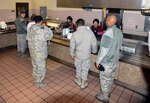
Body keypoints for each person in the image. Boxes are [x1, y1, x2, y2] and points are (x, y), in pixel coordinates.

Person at [95, 15, 123, 103]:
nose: (105, 22)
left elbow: (104, 49)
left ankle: (104, 96)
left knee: (104, 79)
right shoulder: (119, 32)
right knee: (110, 78)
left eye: (106, 20)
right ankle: (108, 92)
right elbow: (120, 45)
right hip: (114, 61)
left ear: (109, 21)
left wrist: (98, 61)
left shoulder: (108, 33)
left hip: (106, 62)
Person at [70, 18, 97, 89]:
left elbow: (72, 46)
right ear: (83, 24)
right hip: (86, 55)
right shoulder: (90, 33)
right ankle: (83, 83)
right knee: (85, 69)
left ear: (77, 24)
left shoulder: (75, 34)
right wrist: (94, 51)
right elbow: (94, 43)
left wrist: (72, 54)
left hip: (78, 55)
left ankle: (78, 80)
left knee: (78, 68)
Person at [26, 16, 53, 88]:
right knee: (41, 68)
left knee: (35, 66)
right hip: (40, 53)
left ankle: (36, 79)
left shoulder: (30, 28)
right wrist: (46, 27)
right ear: (41, 22)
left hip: (32, 52)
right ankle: (38, 83)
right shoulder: (42, 30)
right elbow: (50, 36)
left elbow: (27, 38)